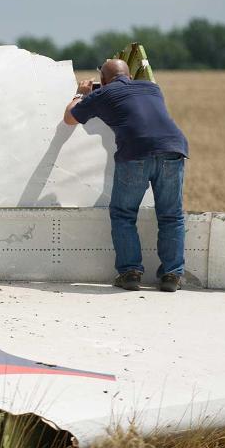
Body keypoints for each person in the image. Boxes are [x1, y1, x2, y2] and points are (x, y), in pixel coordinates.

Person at [63, 59, 188, 292]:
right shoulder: (152, 87)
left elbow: (69, 118)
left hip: (135, 153)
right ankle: (172, 275)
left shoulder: (102, 94)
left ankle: (130, 272)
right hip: (173, 148)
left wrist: (81, 94)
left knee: (123, 214)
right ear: (130, 75)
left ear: (102, 80)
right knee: (171, 216)